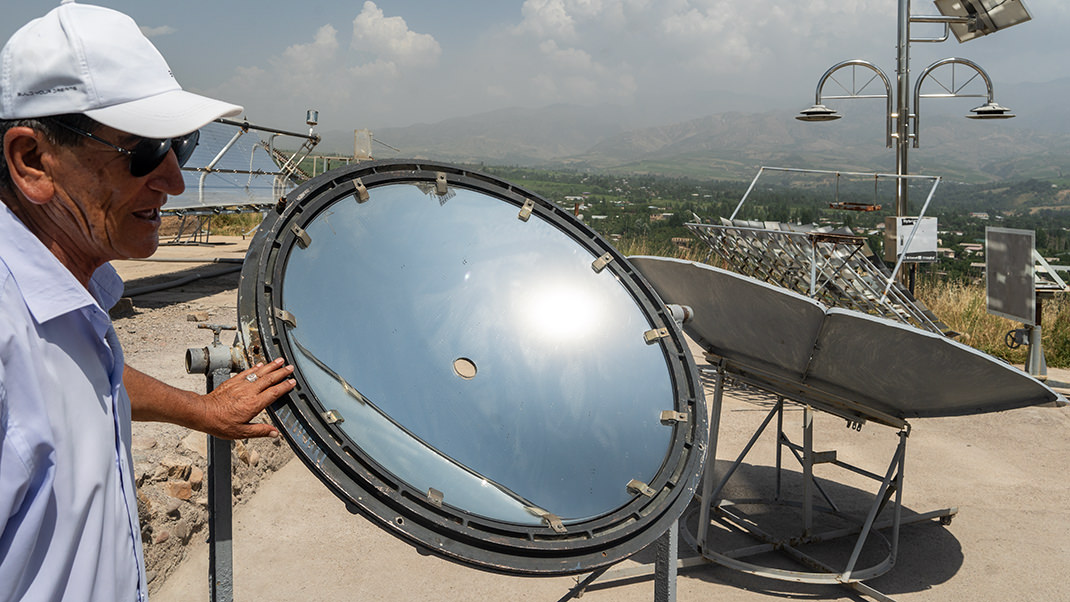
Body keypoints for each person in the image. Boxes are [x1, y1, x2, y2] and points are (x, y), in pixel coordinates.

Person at [0, 2, 296, 600]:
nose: (175, 180)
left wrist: (200, 410)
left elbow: (86, 378)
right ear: (33, 161)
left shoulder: (63, 308)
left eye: (179, 146)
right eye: (141, 150)